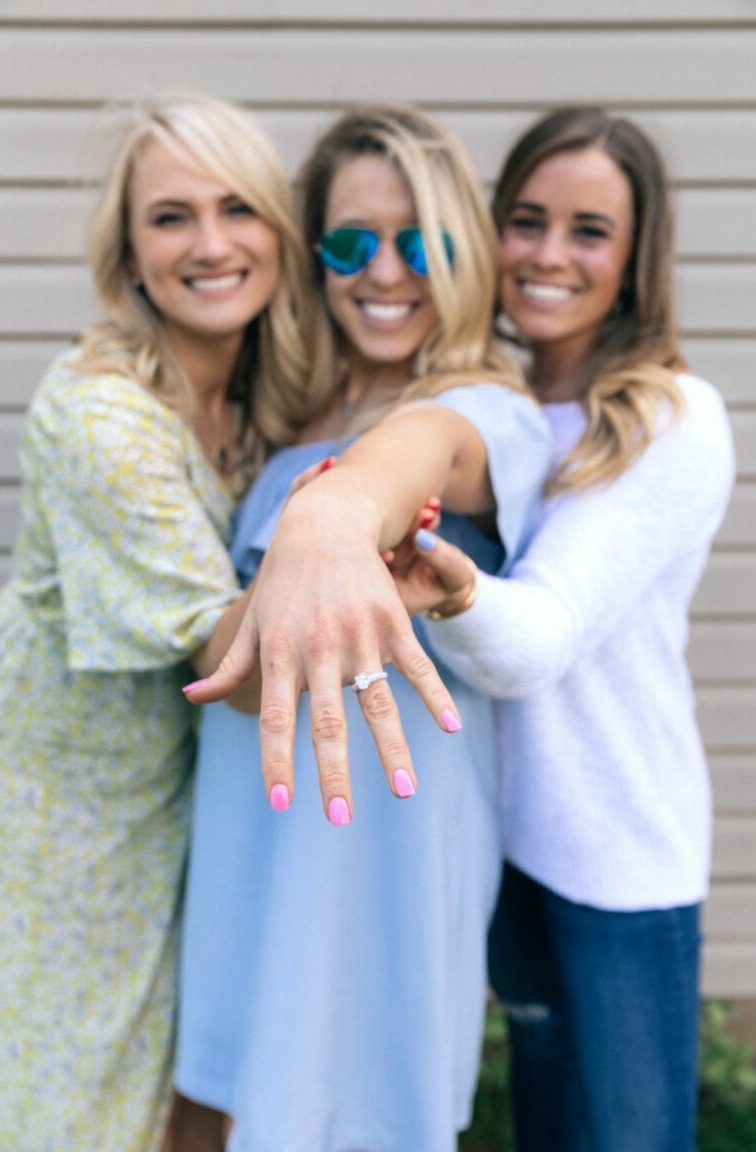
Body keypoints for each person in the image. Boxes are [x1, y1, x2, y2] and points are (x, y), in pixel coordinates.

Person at [174, 104, 552, 1152]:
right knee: (217, 1102)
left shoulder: (489, 411)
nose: (382, 272)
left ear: (462, 254)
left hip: (378, 869)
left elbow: (421, 449)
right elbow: (234, 669)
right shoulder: (285, 425)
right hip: (252, 850)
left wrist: (338, 512)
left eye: (418, 243)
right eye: (349, 242)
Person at [360, 109, 736, 1152]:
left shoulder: (672, 417)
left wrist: (458, 592)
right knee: (546, 1125)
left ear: (635, 256)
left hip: (619, 855)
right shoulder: (494, 402)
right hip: (506, 838)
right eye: (527, 220)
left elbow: (546, 635)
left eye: (589, 231)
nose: (548, 255)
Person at [0, 91, 331, 1152]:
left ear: (280, 231)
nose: (211, 243)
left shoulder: (258, 404)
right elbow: (223, 651)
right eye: (172, 216)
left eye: (239, 208)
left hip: (174, 819)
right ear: (129, 251)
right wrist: (345, 556)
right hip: (54, 833)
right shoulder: (100, 415)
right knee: (60, 1110)